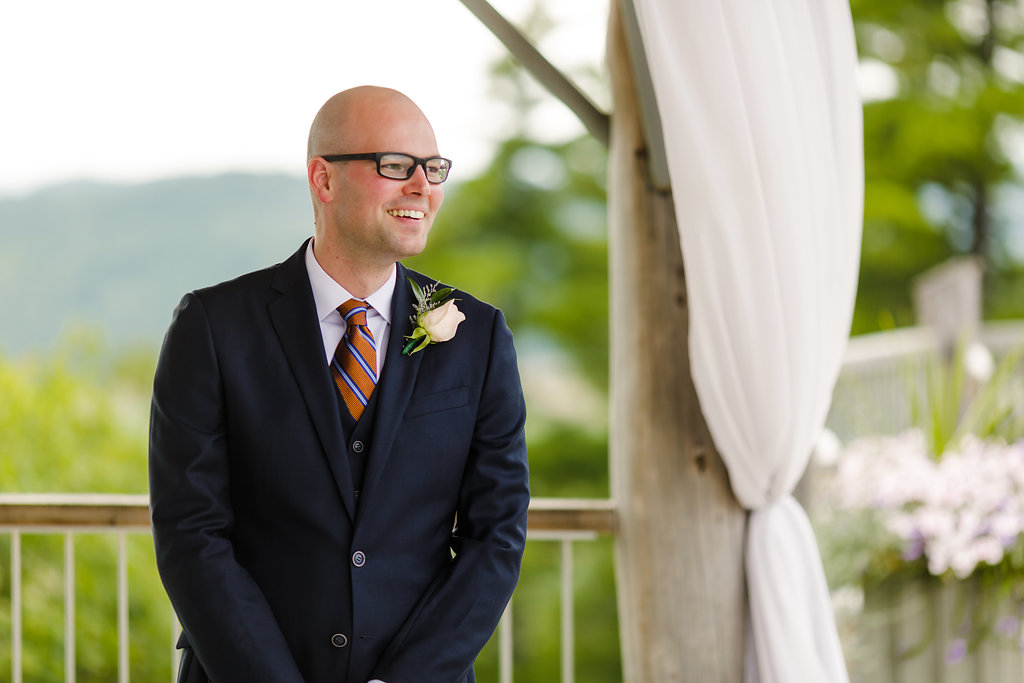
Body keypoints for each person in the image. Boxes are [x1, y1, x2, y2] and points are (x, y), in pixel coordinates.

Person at [148, 86, 530, 683]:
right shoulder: (212, 328)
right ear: (323, 180)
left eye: (433, 169)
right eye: (397, 166)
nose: (423, 188)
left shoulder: (478, 337)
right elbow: (191, 534)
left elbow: (497, 534)